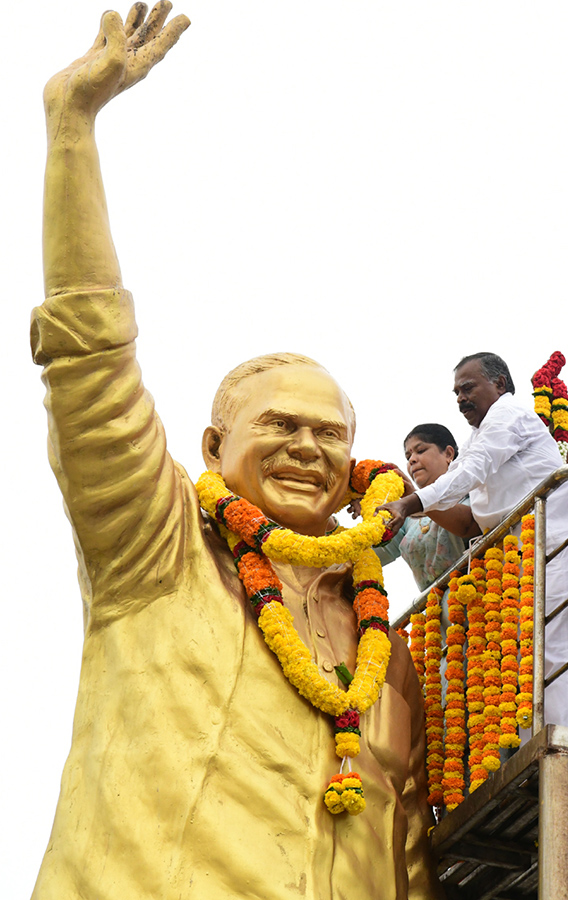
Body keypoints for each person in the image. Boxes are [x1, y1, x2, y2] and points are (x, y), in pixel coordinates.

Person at [31, 7, 438, 898]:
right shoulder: (158, 547)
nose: (307, 448)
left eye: (330, 436)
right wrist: (73, 129)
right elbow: (90, 365)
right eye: (280, 427)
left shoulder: (385, 645)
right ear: (215, 446)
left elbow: (407, 852)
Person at [378, 353, 568, 732]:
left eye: (468, 387)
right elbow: (463, 504)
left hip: (556, 546)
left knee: (556, 653)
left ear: (501, 384)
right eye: (456, 392)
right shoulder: (478, 436)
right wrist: (400, 501)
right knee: (527, 655)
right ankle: (535, 747)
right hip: (522, 557)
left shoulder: (509, 417)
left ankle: (563, 744)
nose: (460, 398)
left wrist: (409, 502)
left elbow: (470, 472)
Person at [376, 424, 471, 590]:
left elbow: (469, 525)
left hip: (483, 599)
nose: (412, 460)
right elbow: (372, 554)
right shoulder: (408, 518)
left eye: (420, 451)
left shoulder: (473, 489)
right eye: (408, 456)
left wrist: (416, 501)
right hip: (434, 611)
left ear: (449, 454)